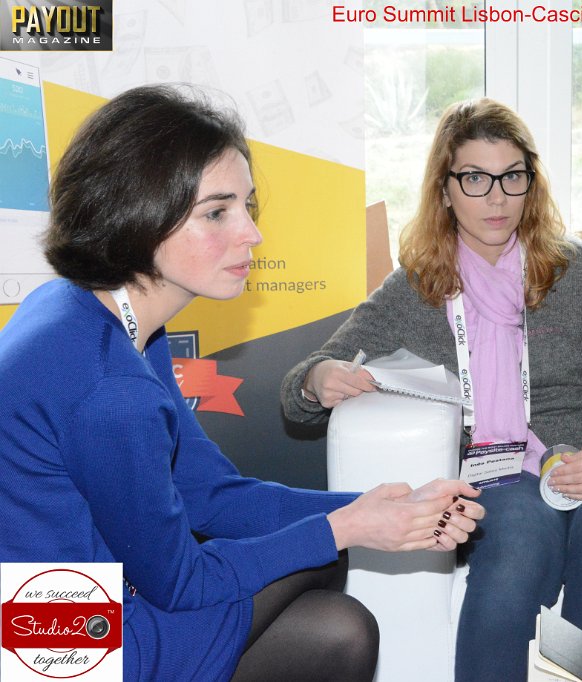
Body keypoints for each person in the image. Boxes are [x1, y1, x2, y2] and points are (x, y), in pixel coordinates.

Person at [0, 84, 484, 682]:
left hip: (67, 607)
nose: (251, 233)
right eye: (216, 212)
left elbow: (209, 493)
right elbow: (181, 583)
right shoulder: (112, 387)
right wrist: (352, 527)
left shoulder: (95, 312)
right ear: (137, 215)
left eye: (247, 206)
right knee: (321, 562)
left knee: (340, 628)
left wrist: (381, 510)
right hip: (62, 643)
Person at [281, 97, 582, 681]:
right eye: (475, 178)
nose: (497, 198)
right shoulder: (417, 287)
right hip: (500, 470)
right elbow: (303, 383)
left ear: (531, 183)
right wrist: (318, 380)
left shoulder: (580, 269)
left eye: (512, 176)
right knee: (516, 545)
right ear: (444, 189)